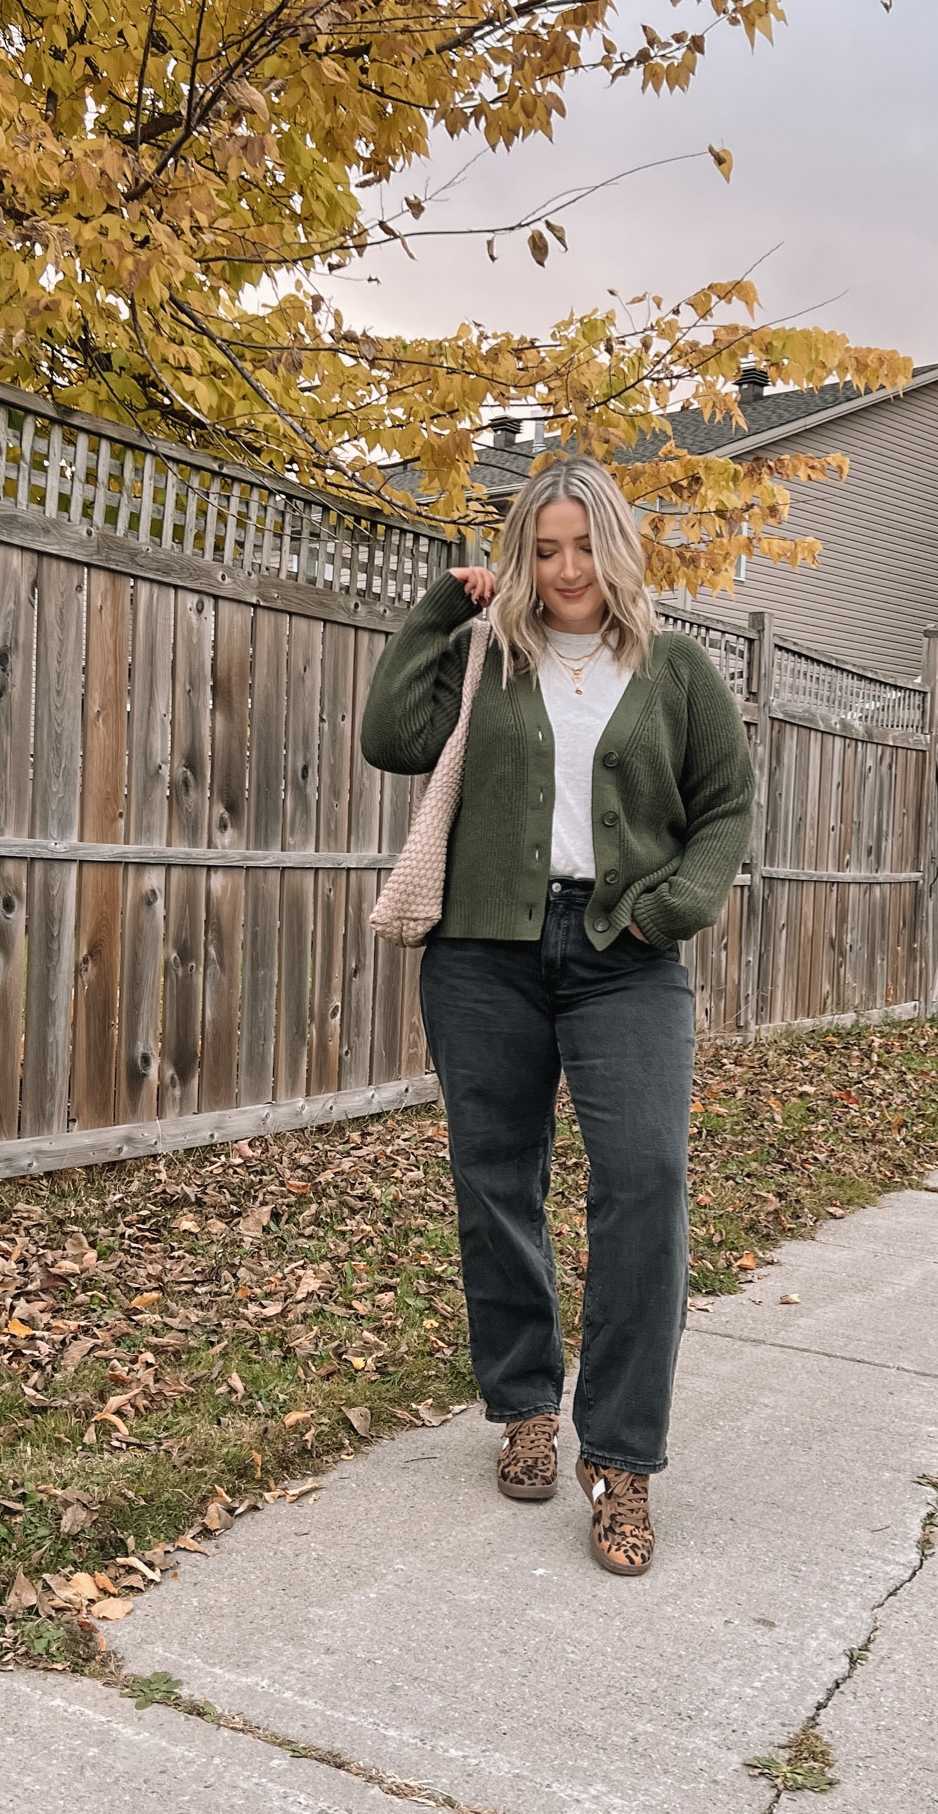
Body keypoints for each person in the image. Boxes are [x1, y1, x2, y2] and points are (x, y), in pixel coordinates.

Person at [359, 456, 753, 1576]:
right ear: (521, 555)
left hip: (623, 953)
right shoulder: (492, 657)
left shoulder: (675, 669)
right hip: (483, 951)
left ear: (616, 549)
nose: (567, 568)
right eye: (544, 548)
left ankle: (619, 1458)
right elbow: (390, 734)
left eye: (584, 545)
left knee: (646, 1179)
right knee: (497, 1179)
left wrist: (669, 906)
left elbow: (726, 804)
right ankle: (525, 1402)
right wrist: (446, 605)